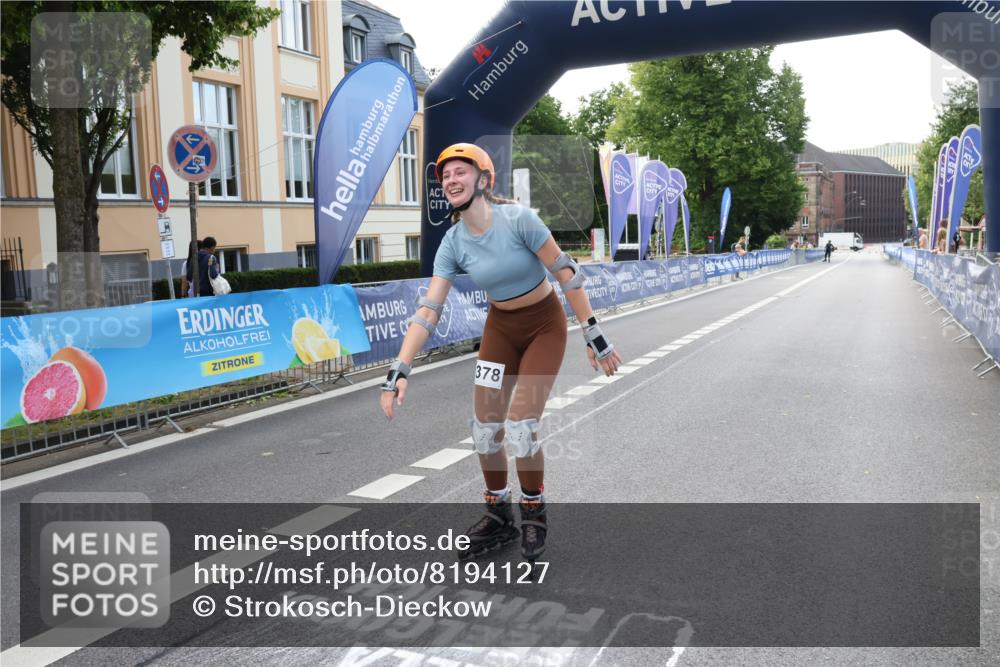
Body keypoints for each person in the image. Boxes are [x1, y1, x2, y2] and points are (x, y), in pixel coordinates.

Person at [378, 143, 622, 563]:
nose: (451, 180)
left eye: (459, 172)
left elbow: (567, 273)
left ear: (484, 179)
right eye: (445, 175)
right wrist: (399, 368)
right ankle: (498, 515)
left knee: (523, 427)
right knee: (485, 431)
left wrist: (594, 335)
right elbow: (428, 311)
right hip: (501, 331)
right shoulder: (453, 242)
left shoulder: (519, 220)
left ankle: (533, 513)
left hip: (543, 326)